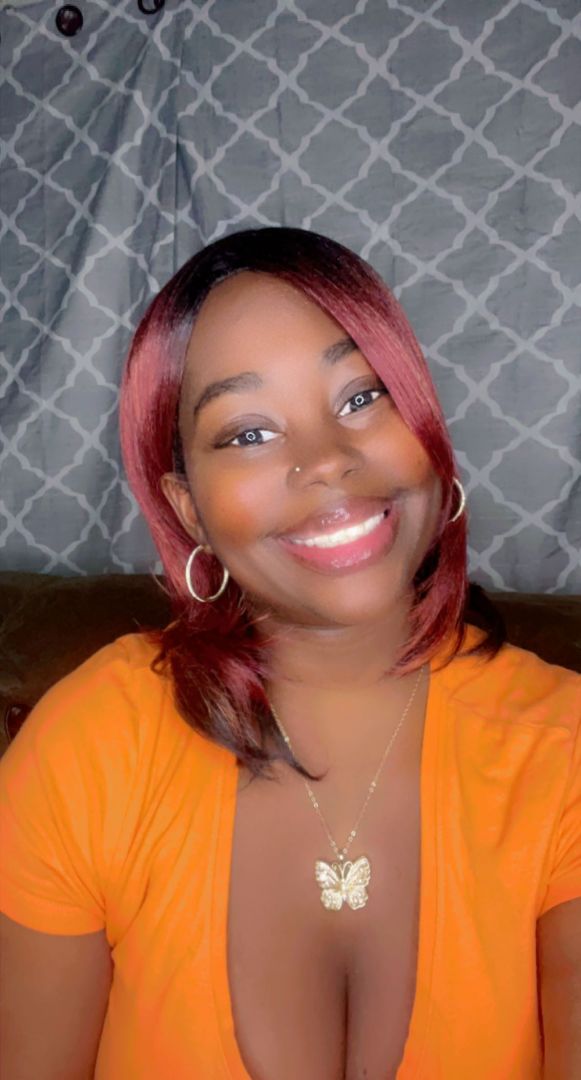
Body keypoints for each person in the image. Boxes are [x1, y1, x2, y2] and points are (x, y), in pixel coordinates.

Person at [1, 227, 580, 1079]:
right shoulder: (90, 746)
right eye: (246, 433)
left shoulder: (564, 750)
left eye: (361, 397)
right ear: (188, 509)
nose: (326, 461)